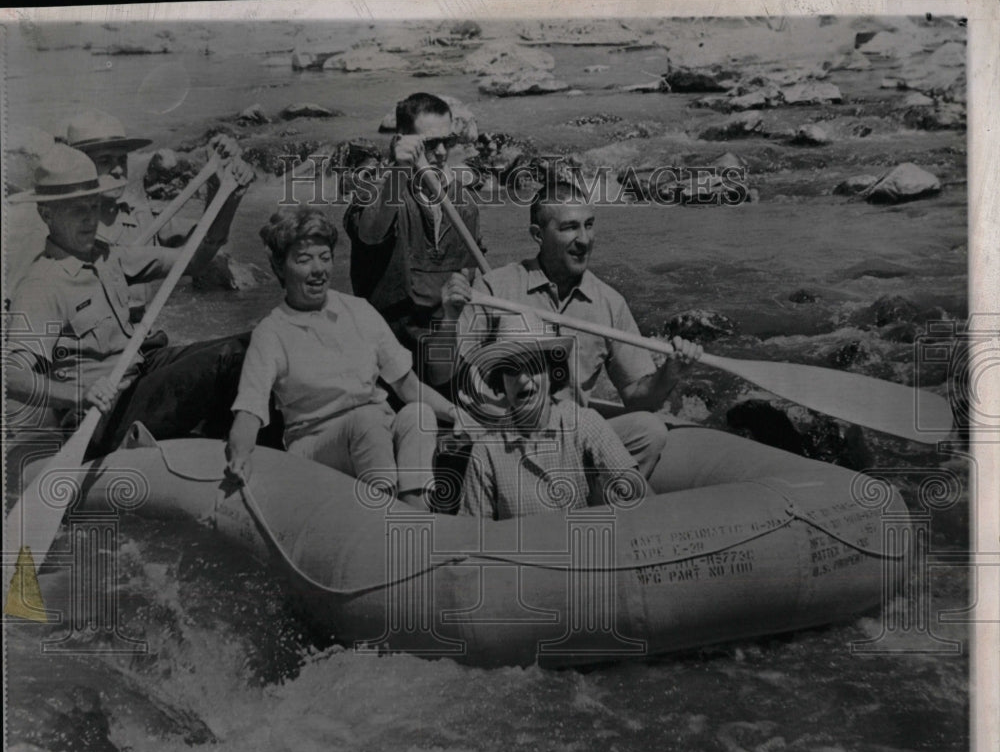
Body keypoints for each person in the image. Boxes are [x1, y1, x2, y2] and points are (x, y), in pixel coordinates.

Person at [5, 144, 256, 459]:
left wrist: (228, 197)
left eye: (93, 205)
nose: (89, 218)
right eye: (75, 209)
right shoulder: (42, 285)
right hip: (98, 416)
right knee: (224, 358)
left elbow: (193, 261)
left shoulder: (107, 254)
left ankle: (231, 447)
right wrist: (78, 394)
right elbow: (10, 376)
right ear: (46, 214)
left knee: (255, 344)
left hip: (138, 375)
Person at [442, 180, 703, 479]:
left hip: (571, 434)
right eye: (569, 228)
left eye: (589, 225)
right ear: (538, 235)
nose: (584, 239)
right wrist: (450, 317)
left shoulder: (609, 302)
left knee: (649, 430)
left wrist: (669, 372)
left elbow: (636, 397)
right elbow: (452, 373)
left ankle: (591, 500)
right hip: (503, 432)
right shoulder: (494, 287)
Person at [225, 206, 477, 511]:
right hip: (314, 448)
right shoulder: (271, 332)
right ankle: (380, 517)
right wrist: (239, 456)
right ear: (280, 267)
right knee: (367, 419)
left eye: (325, 257)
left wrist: (457, 414)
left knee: (418, 415)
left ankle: (414, 514)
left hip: (375, 432)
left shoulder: (359, 310)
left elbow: (408, 386)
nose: (318, 269)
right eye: (304, 260)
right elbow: (249, 412)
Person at [344, 92, 483, 390]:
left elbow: (468, 280)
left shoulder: (464, 203)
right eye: (430, 144)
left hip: (443, 349)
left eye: (449, 141)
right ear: (402, 141)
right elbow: (371, 232)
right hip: (385, 357)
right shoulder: (377, 190)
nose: (443, 152)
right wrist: (400, 169)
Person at [64, 109, 245, 323]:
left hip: (143, 343)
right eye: (105, 161)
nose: (118, 170)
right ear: (76, 167)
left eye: (122, 160)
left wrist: (222, 190)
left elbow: (200, 252)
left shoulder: (140, 216)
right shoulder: (56, 228)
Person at [459, 311, 640, 520]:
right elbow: (472, 535)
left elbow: (638, 493)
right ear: (501, 380)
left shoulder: (584, 423)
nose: (523, 379)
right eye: (512, 369)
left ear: (551, 372)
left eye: (533, 366)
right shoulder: (485, 452)